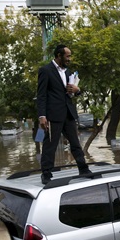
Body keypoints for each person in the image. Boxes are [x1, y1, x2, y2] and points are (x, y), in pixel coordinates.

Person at [36, 44, 90, 184]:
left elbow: (71, 92)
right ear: (59, 56)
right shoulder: (45, 70)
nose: (69, 59)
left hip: (69, 113)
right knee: (50, 145)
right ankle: (46, 174)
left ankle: (83, 169)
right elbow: (41, 95)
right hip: (53, 115)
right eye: (67, 56)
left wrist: (77, 90)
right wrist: (42, 116)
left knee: (75, 143)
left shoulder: (68, 72)